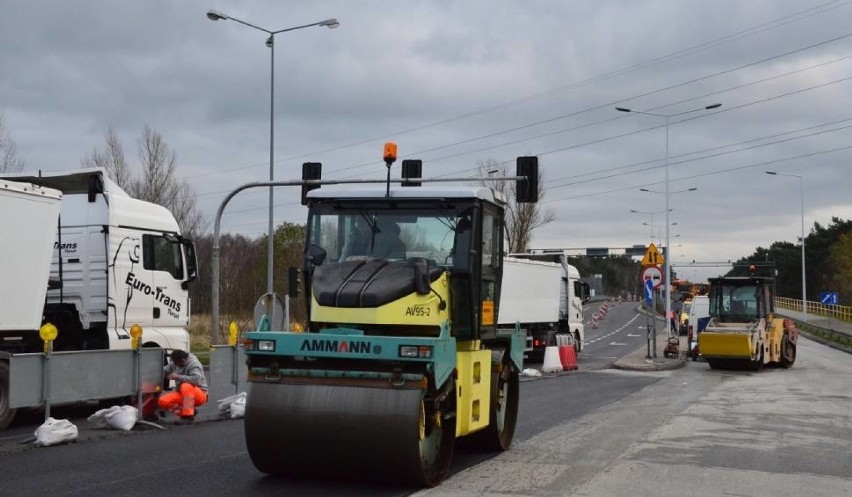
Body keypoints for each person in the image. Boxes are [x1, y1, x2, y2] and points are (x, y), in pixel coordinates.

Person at [158, 349, 208, 421]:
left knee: (185, 385)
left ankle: (188, 416)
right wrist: (166, 375)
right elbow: (163, 370)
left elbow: (197, 380)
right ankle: (188, 412)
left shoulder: (194, 364)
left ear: (183, 360)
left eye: (176, 363)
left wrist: (177, 377)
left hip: (200, 394)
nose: (174, 365)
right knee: (162, 401)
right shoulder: (175, 363)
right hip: (182, 393)